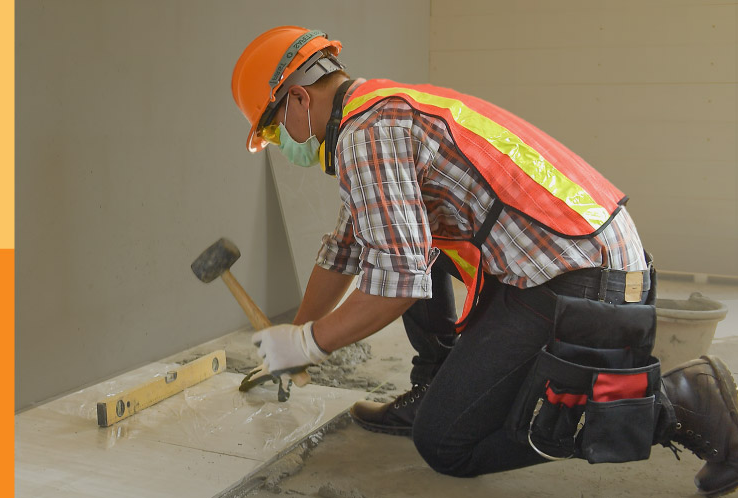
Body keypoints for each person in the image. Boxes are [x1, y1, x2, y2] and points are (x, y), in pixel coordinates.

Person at [231, 26, 738, 497]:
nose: (285, 144)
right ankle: (438, 382)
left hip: (582, 280)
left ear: (299, 97)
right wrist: (293, 337)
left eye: (275, 131)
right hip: (572, 256)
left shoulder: (367, 134)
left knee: (448, 444)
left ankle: (681, 403)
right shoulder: (380, 109)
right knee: (398, 240)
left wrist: (307, 344)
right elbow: (350, 246)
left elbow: (397, 283)